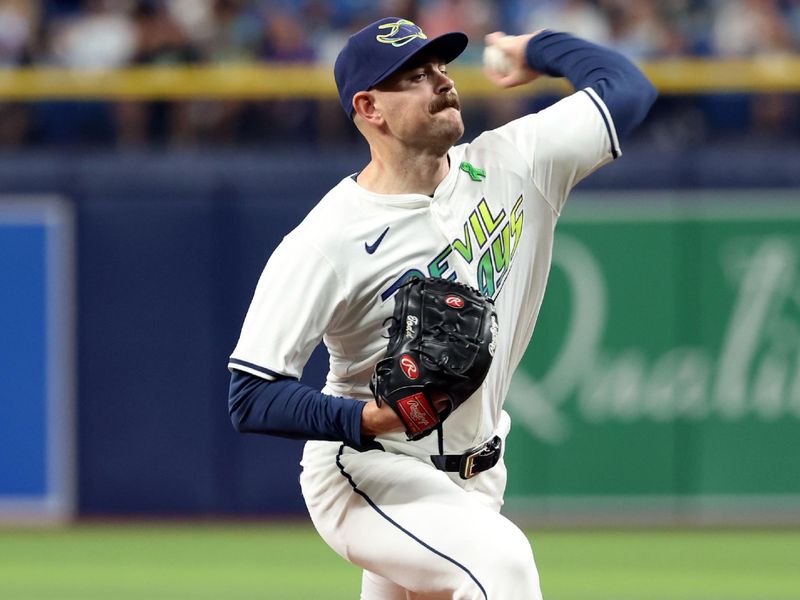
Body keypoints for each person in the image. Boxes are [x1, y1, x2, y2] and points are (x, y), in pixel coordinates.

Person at [228, 16, 656, 599]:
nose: (442, 83)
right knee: (501, 564)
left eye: (441, 68)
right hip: (370, 469)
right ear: (370, 107)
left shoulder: (516, 162)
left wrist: (539, 48)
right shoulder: (326, 240)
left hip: (478, 475)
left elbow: (628, 89)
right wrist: (366, 419)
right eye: (415, 77)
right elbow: (251, 394)